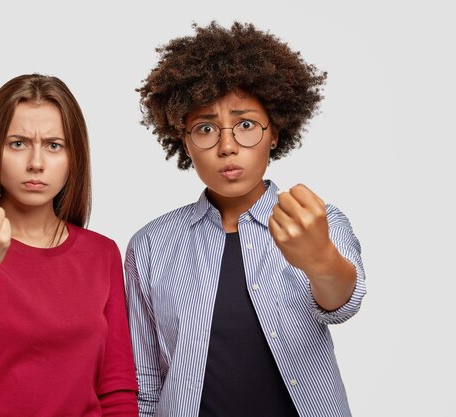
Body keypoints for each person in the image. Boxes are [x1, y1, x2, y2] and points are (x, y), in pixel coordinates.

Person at [125, 22, 366, 417]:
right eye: (205, 128)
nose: (227, 146)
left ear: (274, 132)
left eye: (247, 125)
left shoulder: (316, 220)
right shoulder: (150, 246)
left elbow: (343, 303)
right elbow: (146, 381)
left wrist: (320, 260)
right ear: (184, 140)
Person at [0, 74, 138, 417]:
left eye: (54, 145)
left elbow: (116, 388)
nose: (36, 163)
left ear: (74, 157)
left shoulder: (102, 254)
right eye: (18, 143)